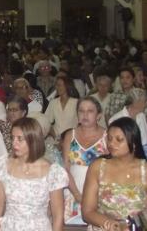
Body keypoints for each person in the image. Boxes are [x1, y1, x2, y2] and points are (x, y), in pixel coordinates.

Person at [82, 118, 147, 231]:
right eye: (109, 139)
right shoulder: (98, 167)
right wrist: (113, 225)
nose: (111, 144)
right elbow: (87, 212)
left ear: (133, 143)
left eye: (119, 140)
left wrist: (132, 228)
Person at [0, 117, 67, 231]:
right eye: (12, 138)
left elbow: (58, 215)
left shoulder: (53, 172)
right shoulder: (3, 165)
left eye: (20, 139)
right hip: (10, 226)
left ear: (33, 140)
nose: (14, 143)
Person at [61, 96, 107, 224]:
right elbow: (66, 167)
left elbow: (111, 169)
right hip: (72, 191)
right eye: (81, 111)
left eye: (90, 111)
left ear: (98, 115)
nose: (85, 115)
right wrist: (77, 195)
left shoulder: (107, 136)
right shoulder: (70, 135)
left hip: (99, 194)